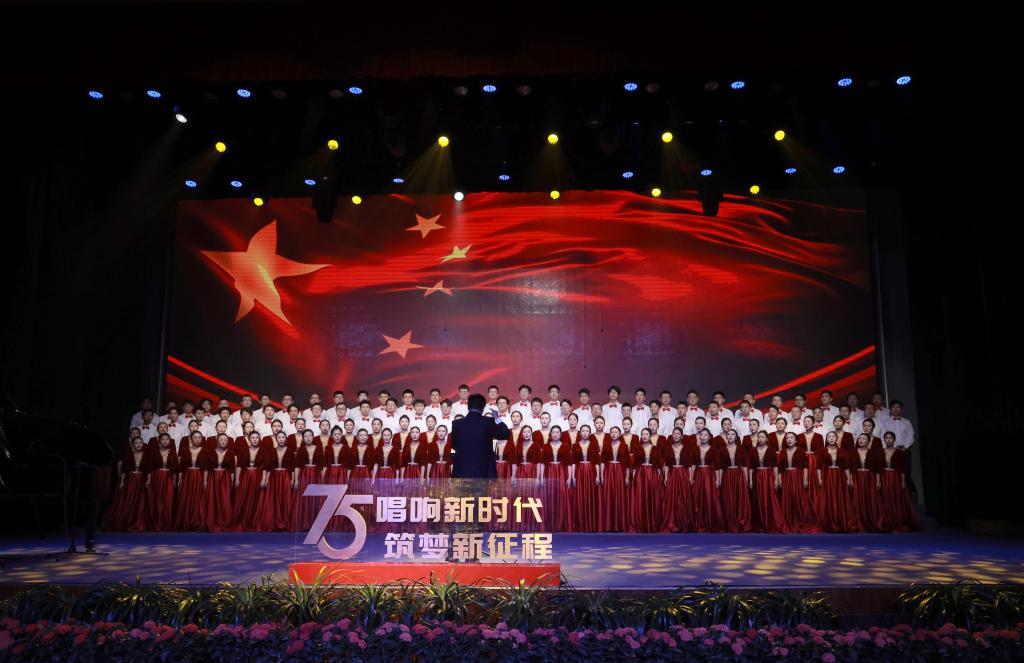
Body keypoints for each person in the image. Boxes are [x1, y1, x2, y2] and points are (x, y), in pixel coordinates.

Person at [451, 394, 510, 479]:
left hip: (462, 469)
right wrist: (497, 417)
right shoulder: (488, 422)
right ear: (483, 407)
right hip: (483, 469)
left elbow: (454, 445)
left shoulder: (457, 423)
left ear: (468, 406)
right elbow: (505, 433)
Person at [816, 431, 858, 533]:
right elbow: (818, 467)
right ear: (826, 439)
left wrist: (849, 479)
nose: (831, 438)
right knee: (828, 499)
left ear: (837, 439)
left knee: (840, 498)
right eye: (829, 437)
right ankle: (828, 523)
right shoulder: (822, 451)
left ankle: (840, 522)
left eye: (833, 437)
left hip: (839, 477)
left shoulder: (842, 451)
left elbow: (846, 466)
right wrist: (820, 479)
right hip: (827, 477)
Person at [256, 431, 297, 532]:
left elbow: (292, 467)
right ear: (276, 439)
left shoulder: (290, 451)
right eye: (279, 437)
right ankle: (274, 522)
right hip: (274, 477)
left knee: (285, 499)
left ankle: (285, 522)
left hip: (285, 477)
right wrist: (265, 479)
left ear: (286, 439)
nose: (281, 439)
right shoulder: (271, 451)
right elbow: (268, 467)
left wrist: (293, 479)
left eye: (283, 437)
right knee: (273, 499)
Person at [106, 437, 148, 532]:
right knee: (129, 500)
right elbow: (125, 469)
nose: (138, 445)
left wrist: (147, 481)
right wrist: (122, 482)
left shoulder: (146, 455)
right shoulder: (129, 455)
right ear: (133, 445)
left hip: (141, 479)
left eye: (140, 443)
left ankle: (137, 522)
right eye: (136, 443)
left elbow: (148, 470)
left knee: (140, 502)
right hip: (131, 479)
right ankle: (126, 522)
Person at [748, 431, 788, 533]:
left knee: (769, 499)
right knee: (757, 499)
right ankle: (759, 525)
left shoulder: (771, 450)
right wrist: (751, 480)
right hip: (757, 476)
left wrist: (776, 480)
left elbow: (775, 466)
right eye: (759, 437)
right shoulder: (753, 450)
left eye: (763, 437)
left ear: (766, 439)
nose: (760, 439)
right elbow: (751, 467)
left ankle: (770, 523)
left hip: (768, 476)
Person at [880, 431, 920, 532]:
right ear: (884, 440)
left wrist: (902, 481)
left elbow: (901, 468)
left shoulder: (899, 452)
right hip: (884, 477)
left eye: (890, 438)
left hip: (894, 477)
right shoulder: (881, 451)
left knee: (895, 498)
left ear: (894, 440)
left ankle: (896, 520)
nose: (888, 440)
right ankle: (886, 521)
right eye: (887, 438)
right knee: (885, 498)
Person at [777, 432, 816, 533]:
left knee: (798, 498)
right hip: (786, 477)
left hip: (797, 477)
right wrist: (779, 478)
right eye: (787, 438)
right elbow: (780, 468)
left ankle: (800, 521)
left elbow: (805, 467)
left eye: (791, 438)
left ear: (795, 440)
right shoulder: (782, 452)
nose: (789, 439)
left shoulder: (801, 451)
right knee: (787, 498)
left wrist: (805, 479)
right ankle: (788, 521)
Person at [174, 431, 210, 531]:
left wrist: (205, 480)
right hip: (187, 477)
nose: (197, 439)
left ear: (202, 439)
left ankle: (197, 522)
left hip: (199, 477)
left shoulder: (206, 451)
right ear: (191, 439)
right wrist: (179, 480)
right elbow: (181, 468)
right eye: (195, 437)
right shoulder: (184, 451)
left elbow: (206, 468)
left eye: (199, 437)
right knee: (186, 498)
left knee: (198, 499)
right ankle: (185, 521)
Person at [690, 429, 724, 533]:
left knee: (710, 497)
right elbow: (693, 465)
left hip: (709, 475)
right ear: (699, 437)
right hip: (698, 475)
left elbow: (717, 466)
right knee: (697, 497)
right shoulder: (695, 449)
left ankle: (711, 522)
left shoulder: (714, 450)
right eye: (702, 435)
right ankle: (698, 522)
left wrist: (718, 479)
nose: (703, 437)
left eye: (706, 435)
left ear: (709, 437)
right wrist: (691, 477)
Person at [659, 428, 691, 533]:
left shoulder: (686, 448)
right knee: (671, 498)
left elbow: (689, 465)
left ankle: (683, 523)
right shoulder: (668, 448)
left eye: (678, 434)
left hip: (683, 474)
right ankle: (672, 522)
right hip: (672, 474)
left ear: (682, 436)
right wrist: (666, 477)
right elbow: (666, 465)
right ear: (672, 436)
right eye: (674, 434)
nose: (676, 435)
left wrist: (690, 477)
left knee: (683, 497)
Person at [542, 426, 574, 532]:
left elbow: (569, 463)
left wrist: (569, 477)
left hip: (561, 473)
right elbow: (542, 463)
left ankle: (562, 524)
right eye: (553, 432)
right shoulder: (546, 446)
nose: (555, 434)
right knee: (550, 497)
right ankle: (550, 524)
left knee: (561, 496)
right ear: (550, 434)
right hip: (549, 472)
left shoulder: (565, 446)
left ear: (560, 434)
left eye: (557, 432)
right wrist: (541, 477)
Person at [292, 429, 326, 531]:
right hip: (304, 475)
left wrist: (322, 479)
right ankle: (304, 524)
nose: (308, 438)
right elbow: (297, 466)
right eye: (306, 436)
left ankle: (315, 525)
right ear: (303, 438)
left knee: (315, 499)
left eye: (310, 436)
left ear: (313, 437)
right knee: (304, 498)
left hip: (316, 475)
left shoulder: (319, 449)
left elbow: (322, 466)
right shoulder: (300, 449)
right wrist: (296, 480)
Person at [718, 429, 751, 533]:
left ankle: (740, 522)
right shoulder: (722, 450)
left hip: (739, 476)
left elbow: (744, 466)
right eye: (728, 434)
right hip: (727, 476)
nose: (730, 436)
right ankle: (730, 523)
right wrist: (719, 480)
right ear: (726, 436)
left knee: (739, 498)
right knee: (728, 499)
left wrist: (746, 479)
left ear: (736, 437)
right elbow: (720, 467)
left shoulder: (741, 449)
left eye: (732, 434)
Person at [851, 433, 885, 533]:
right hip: (857, 477)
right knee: (857, 499)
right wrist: (850, 479)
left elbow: (877, 469)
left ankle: (870, 520)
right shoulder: (853, 452)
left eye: (864, 438)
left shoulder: (872, 453)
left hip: (869, 479)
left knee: (869, 499)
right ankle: (858, 521)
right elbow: (851, 467)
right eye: (860, 438)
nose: (861, 440)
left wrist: (878, 481)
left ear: (868, 441)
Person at [571, 424, 602, 532]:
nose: (585, 433)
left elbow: (597, 462)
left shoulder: (593, 445)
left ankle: (591, 524)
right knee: (579, 496)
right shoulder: (575, 445)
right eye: (583, 431)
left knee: (590, 496)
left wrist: (598, 476)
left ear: (589, 433)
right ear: (580, 433)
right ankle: (580, 524)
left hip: (590, 471)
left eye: (587, 431)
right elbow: (573, 463)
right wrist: (573, 476)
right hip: (579, 472)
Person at [601, 425, 631, 532]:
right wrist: (602, 475)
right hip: (609, 471)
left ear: (619, 434)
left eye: (616, 432)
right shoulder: (606, 445)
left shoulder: (624, 446)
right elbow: (602, 462)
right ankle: (608, 525)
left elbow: (627, 463)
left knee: (619, 496)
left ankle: (620, 524)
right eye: (612, 432)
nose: (614, 434)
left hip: (619, 472)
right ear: (610, 434)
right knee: (609, 496)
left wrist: (627, 477)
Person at [232, 431, 265, 531]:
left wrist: (263, 479)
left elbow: (265, 467)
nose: (255, 439)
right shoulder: (244, 450)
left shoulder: (263, 451)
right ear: (249, 439)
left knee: (256, 499)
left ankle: (254, 521)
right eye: (253, 438)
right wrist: (237, 479)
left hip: (257, 476)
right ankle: (243, 520)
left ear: (259, 439)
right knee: (244, 498)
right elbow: (239, 466)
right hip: (245, 476)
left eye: (256, 438)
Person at [145, 433, 177, 532]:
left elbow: (175, 468)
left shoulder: (173, 453)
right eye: (163, 439)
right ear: (159, 442)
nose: (165, 441)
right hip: (157, 477)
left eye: (167, 439)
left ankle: (167, 523)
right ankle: (157, 522)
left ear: (169, 441)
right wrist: (148, 480)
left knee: (168, 500)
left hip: (168, 478)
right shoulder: (154, 453)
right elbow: (150, 468)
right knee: (157, 499)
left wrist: (174, 480)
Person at [205, 433, 235, 533]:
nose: (223, 441)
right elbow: (206, 468)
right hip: (213, 478)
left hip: (225, 478)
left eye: (225, 440)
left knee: (225, 500)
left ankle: (226, 521)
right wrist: (205, 480)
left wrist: (231, 481)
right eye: (221, 439)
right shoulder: (210, 452)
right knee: (212, 500)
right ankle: (212, 521)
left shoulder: (230, 453)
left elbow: (232, 470)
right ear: (217, 440)